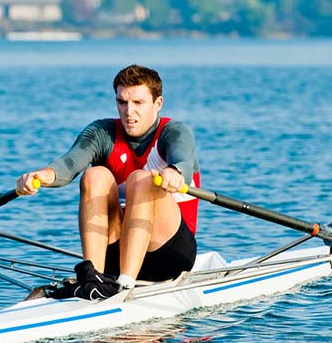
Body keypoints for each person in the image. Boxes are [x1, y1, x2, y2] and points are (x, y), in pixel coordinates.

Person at [16, 64, 200, 300]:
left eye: (138, 103)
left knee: (141, 179)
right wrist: (41, 176)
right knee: (94, 175)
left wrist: (175, 172)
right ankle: (93, 278)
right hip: (116, 251)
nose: (128, 111)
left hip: (168, 254)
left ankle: (124, 285)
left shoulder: (174, 132)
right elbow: (69, 164)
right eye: (122, 102)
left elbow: (182, 159)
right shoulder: (102, 132)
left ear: (158, 104)